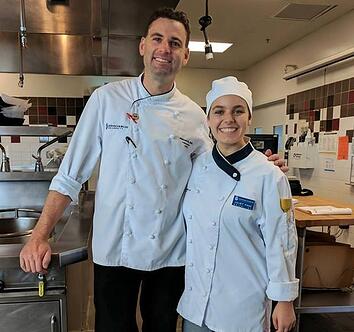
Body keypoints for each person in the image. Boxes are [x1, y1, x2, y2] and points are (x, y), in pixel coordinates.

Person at [19, 8, 288, 332]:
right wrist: (39, 235)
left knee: (161, 327)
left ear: (186, 54)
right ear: (143, 46)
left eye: (175, 43)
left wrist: (258, 167)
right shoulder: (107, 100)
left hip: (170, 253)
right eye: (158, 39)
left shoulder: (192, 115)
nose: (165, 49)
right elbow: (70, 175)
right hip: (115, 250)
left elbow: (216, 165)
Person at [177, 76, 298, 332]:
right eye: (219, 111)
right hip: (196, 304)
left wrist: (284, 300)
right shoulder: (196, 166)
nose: (228, 119)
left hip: (242, 306)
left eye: (238, 111)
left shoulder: (269, 175)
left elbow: (282, 241)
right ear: (208, 120)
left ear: (249, 118)